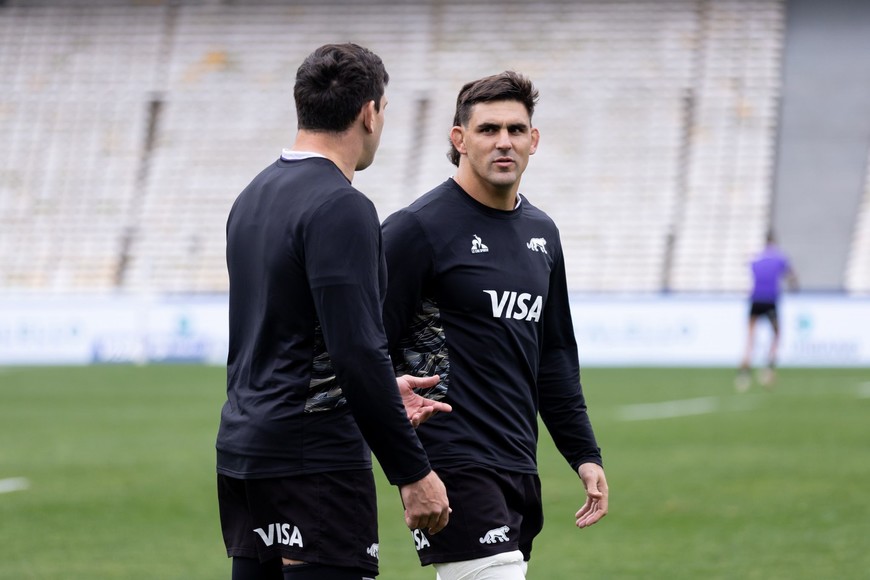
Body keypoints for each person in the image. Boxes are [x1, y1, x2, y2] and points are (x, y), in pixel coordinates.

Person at [215, 43, 452, 580]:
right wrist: (413, 472)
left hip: (246, 452)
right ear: (369, 112)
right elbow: (356, 348)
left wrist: (380, 392)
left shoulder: (253, 195)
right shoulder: (341, 204)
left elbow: (291, 334)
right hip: (312, 458)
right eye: (384, 110)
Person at [381, 71, 608, 579]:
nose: (503, 141)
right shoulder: (416, 229)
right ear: (459, 139)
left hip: (517, 461)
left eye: (515, 129)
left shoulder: (542, 234)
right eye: (487, 129)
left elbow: (553, 355)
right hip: (450, 461)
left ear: (534, 140)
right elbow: (363, 344)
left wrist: (583, 454)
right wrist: (409, 469)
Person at [736, 231, 798, 391]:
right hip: (770, 301)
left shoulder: (756, 258)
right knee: (777, 334)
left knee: (750, 338)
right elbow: (791, 276)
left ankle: (743, 375)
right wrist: (794, 286)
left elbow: (751, 272)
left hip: (755, 300)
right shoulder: (779, 257)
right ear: (775, 242)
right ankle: (768, 370)